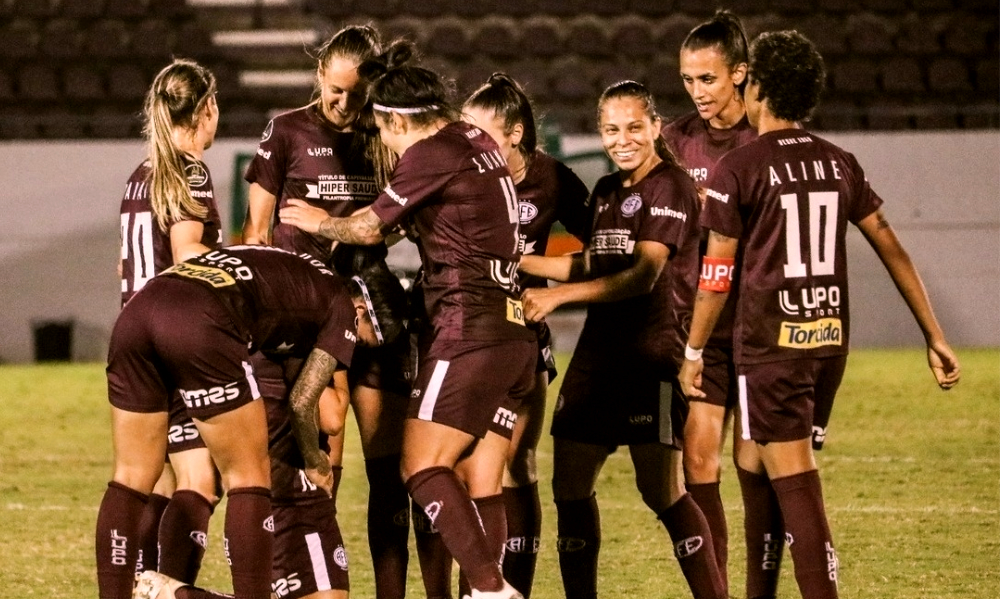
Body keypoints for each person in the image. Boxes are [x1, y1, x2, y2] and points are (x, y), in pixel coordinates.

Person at [679, 30, 961, 599]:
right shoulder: (839, 162)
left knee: (797, 485)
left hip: (771, 348)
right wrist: (934, 334)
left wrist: (692, 350)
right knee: (756, 466)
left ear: (756, 86)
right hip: (827, 342)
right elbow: (890, 245)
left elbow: (716, 275)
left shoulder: (740, 167)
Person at [279, 41, 535, 599]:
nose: (385, 145)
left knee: (419, 467)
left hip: (469, 331)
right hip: (513, 332)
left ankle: (491, 590)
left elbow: (369, 227)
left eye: (382, 131)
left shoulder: (431, 152)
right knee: (478, 479)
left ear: (397, 119)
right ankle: (482, 589)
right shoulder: (477, 140)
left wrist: (319, 221)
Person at [518, 80, 725, 599]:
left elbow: (643, 274)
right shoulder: (609, 190)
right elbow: (592, 260)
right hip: (597, 358)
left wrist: (557, 298)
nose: (622, 139)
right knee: (569, 482)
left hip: (650, 356)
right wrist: (516, 261)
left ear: (655, 127)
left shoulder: (671, 186)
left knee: (660, 490)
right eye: (611, 129)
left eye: (634, 127)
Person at [97, 246, 386, 599]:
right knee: (248, 475)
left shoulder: (289, 266)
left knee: (130, 477)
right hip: (200, 318)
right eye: (365, 341)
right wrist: (314, 459)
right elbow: (303, 401)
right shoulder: (341, 307)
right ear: (360, 311)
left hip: (139, 309)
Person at [241, 24, 414, 598]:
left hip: (373, 308)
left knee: (390, 468)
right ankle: (315, 581)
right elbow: (257, 231)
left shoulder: (383, 133)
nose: (344, 104)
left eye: (356, 94)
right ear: (319, 75)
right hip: (306, 317)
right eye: (335, 90)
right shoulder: (286, 130)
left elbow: (401, 220)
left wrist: (357, 235)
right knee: (323, 453)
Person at [460, 73, 590, 598]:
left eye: (480, 130)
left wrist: (549, 281)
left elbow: (606, 249)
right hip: (462, 333)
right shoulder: (461, 172)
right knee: (457, 467)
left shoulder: (552, 179)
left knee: (516, 463)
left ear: (514, 132)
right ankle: (474, 584)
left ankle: (514, 589)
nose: (469, 140)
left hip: (521, 336)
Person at [660, 10, 769, 595]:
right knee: (699, 462)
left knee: (757, 470)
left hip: (758, 328)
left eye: (707, 78)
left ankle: (760, 583)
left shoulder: (766, 138)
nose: (696, 92)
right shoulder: (676, 142)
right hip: (699, 329)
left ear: (740, 73)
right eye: (687, 80)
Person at [117, 58, 223, 591]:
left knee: (148, 479)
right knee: (201, 479)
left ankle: (136, 582)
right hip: (173, 340)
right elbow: (186, 254)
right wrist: (243, 262)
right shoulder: (190, 169)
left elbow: (125, 264)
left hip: (132, 336)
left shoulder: (141, 175)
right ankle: (170, 586)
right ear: (206, 108)